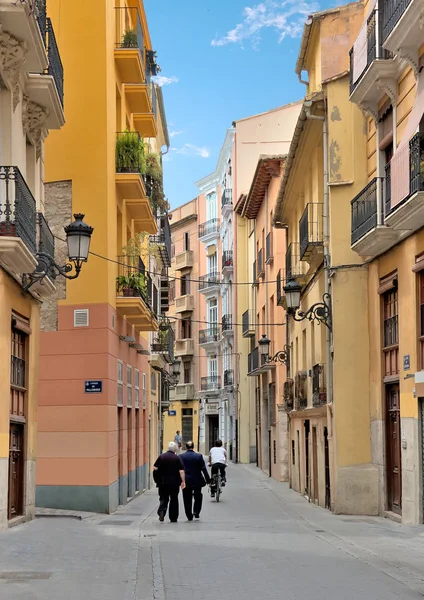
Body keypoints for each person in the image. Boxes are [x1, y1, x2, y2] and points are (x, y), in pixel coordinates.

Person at [153, 441, 185, 523]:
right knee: (174, 499)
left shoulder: (161, 457)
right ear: (175, 449)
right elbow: (181, 471)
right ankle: (173, 517)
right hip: (174, 483)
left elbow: (155, 468)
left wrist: (157, 480)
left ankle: (162, 512)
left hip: (163, 482)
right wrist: (183, 481)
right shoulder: (177, 458)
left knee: (163, 498)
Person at [179, 441, 211, 521]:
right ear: (193, 447)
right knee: (198, 496)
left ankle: (189, 515)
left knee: (186, 498)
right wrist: (208, 480)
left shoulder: (181, 456)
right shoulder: (198, 456)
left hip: (186, 480)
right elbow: (203, 469)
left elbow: (179, 469)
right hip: (197, 480)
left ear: (186, 447)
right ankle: (196, 511)